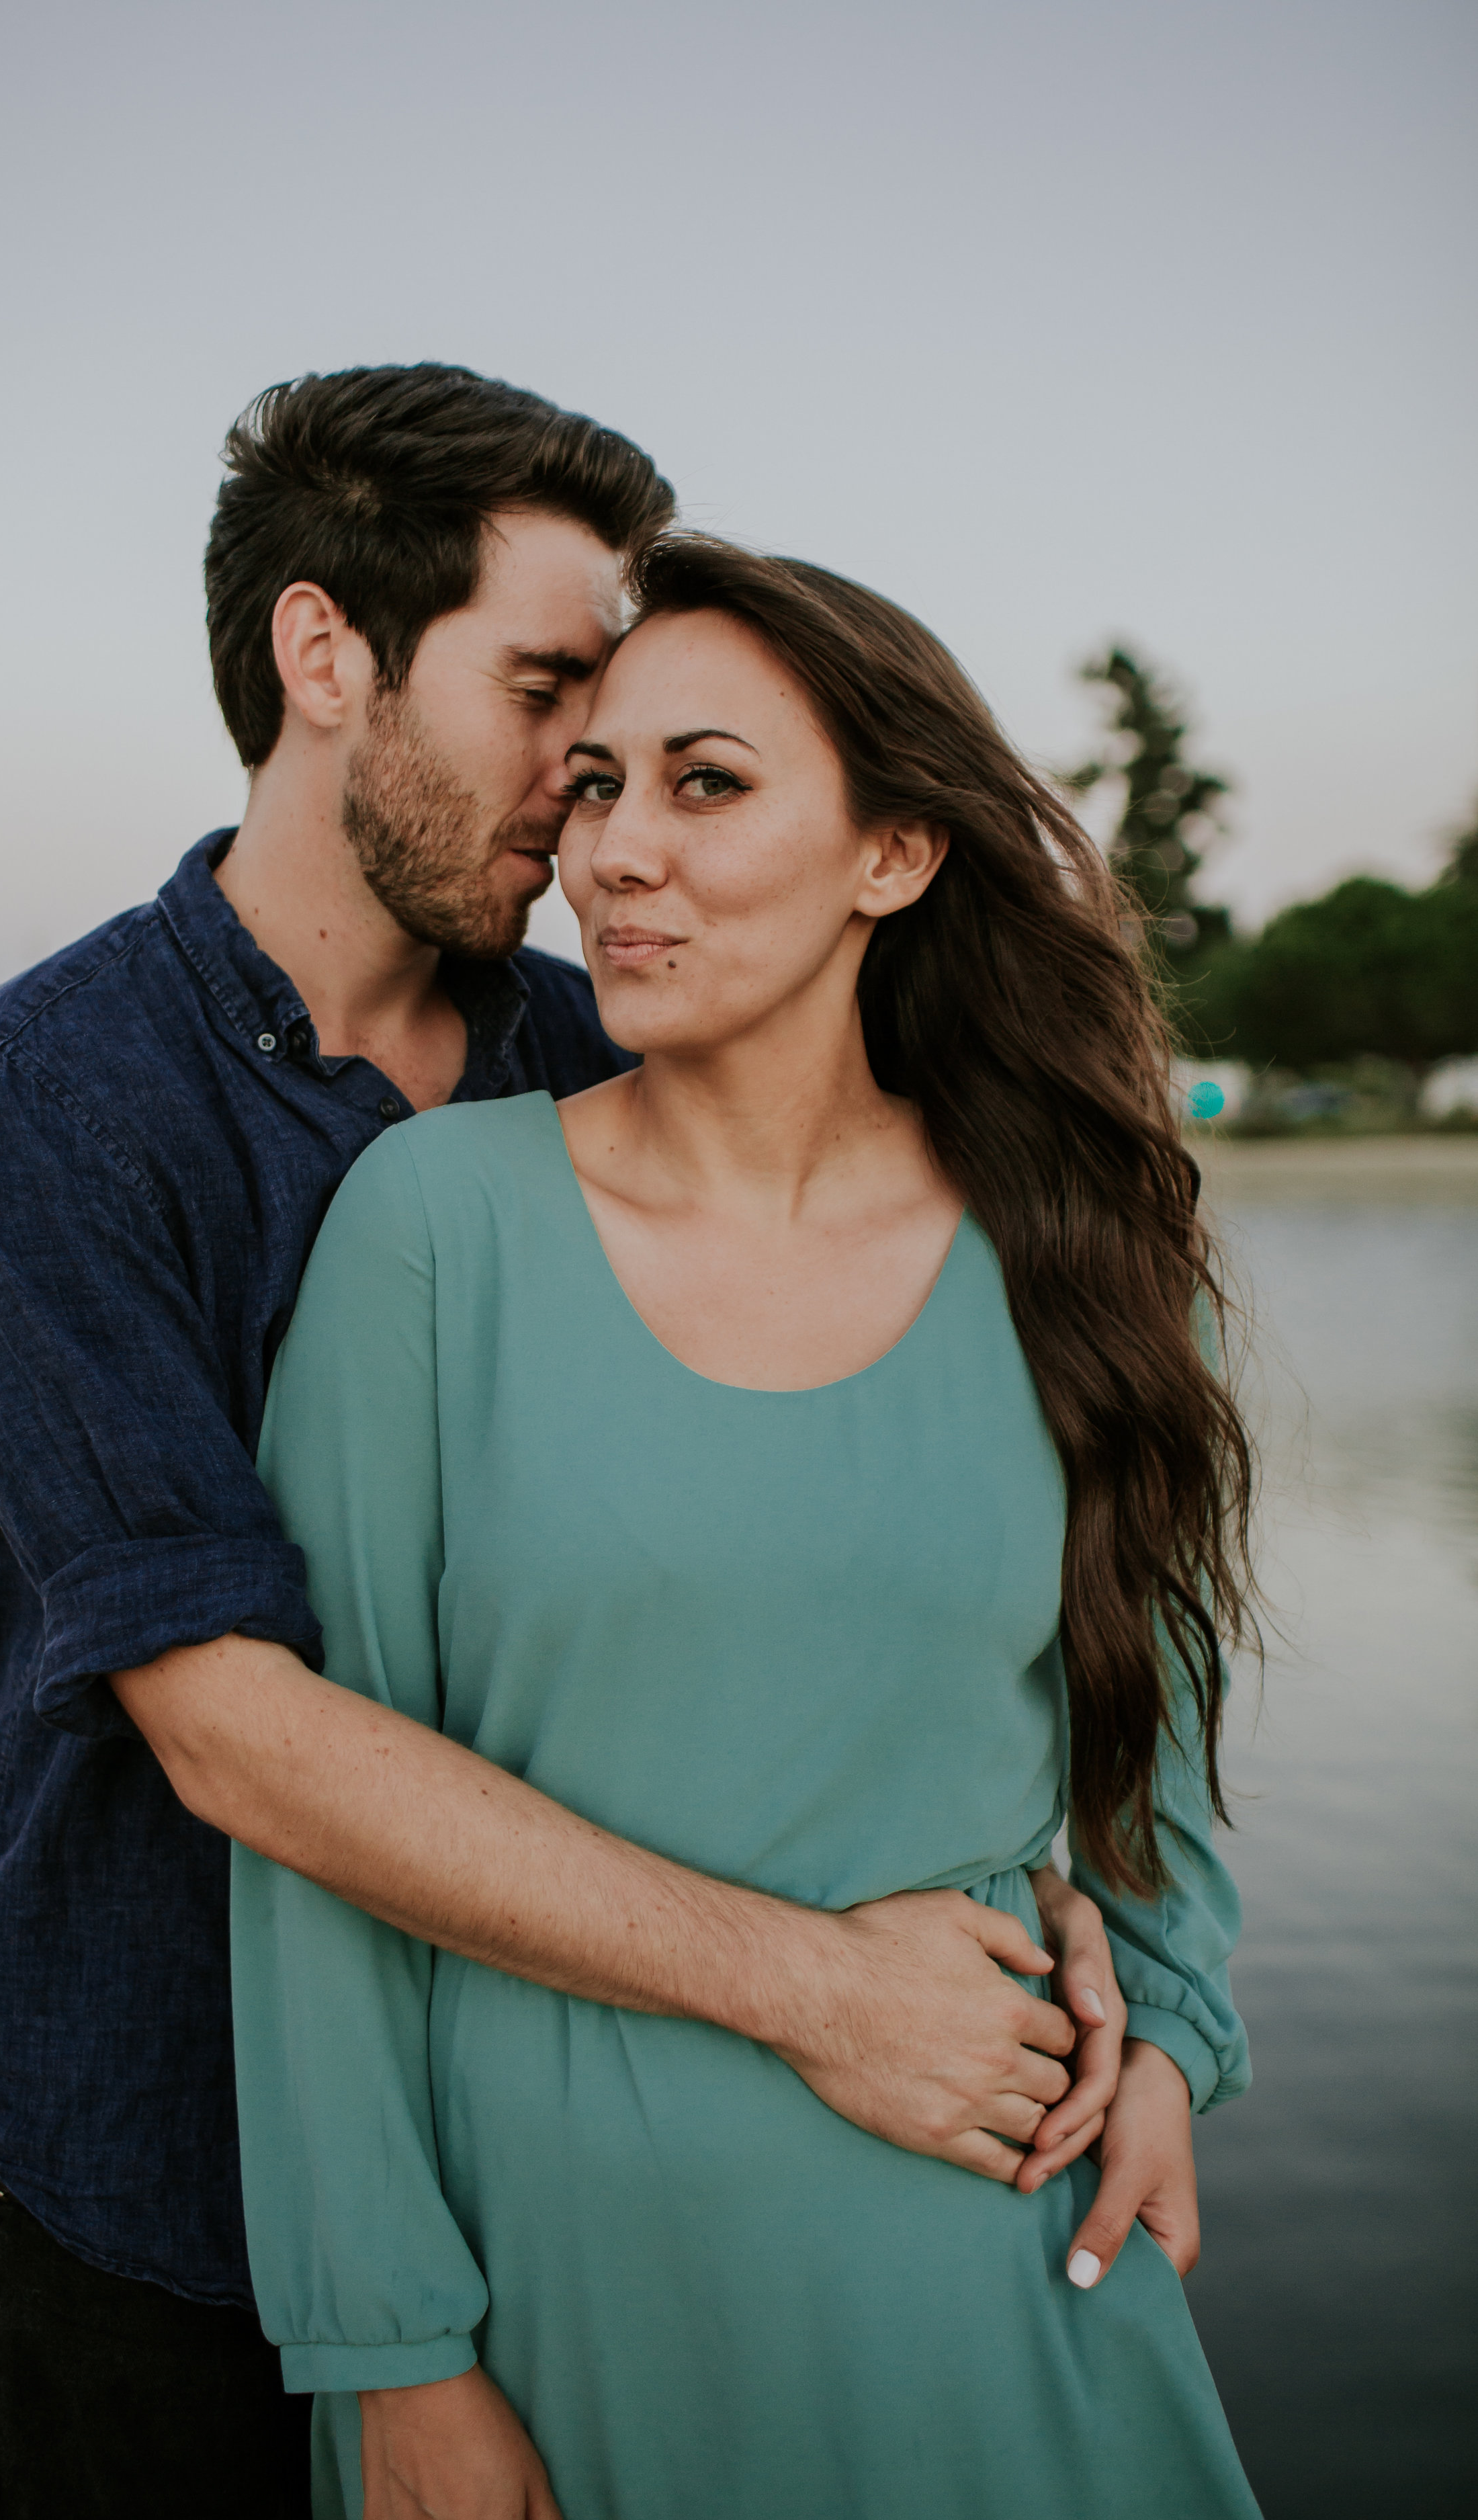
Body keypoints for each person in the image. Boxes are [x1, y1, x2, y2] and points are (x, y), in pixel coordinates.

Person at [0, 372, 1121, 2520]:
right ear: (322, 658)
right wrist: (821, 1988)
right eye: (547, 685)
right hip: (150, 2171)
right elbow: (233, 1731)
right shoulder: (43, 1096)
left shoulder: (598, 1045)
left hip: (577, 2172)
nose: (593, 783)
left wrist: (1054, 1902)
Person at [232, 535, 1262, 2520]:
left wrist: (1170, 2042)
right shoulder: (436, 1231)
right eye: (598, 784)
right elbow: (320, 1840)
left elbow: (1166, 1744)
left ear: (892, 854)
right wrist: (389, 2351)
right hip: (556, 2280)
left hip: (995, 2223)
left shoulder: (1084, 1254)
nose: (615, 852)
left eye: (707, 785)